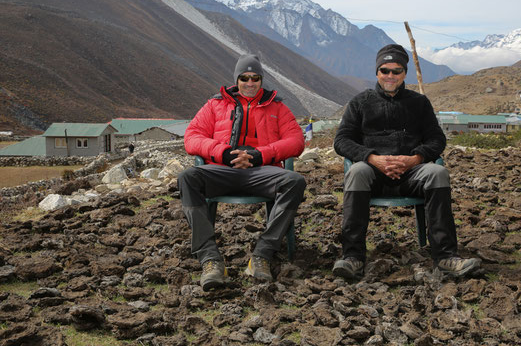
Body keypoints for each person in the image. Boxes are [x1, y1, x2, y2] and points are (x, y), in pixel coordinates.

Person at [332, 44, 481, 279]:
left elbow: (437, 139)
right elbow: (341, 141)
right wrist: (372, 158)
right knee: (357, 171)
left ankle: (446, 257)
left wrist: (415, 159)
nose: (390, 76)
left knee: (437, 173)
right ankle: (353, 257)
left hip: (412, 174)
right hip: (373, 174)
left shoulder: (419, 103)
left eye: (396, 71)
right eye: (385, 70)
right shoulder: (360, 102)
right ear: (377, 72)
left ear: (404, 74)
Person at [178, 54, 306, 291]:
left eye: (255, 77)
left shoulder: (277, 106)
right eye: (244, 77)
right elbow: (192, 136)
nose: (250, 82)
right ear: (236, 79)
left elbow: (297, 141)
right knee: (188, 178)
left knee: (295, 181)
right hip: (221, 170)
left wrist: (260, 155)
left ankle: (262, 255)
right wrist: (224, 153)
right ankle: (211, 260)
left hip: (262, 172)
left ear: (261, 79)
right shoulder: (215, 105)